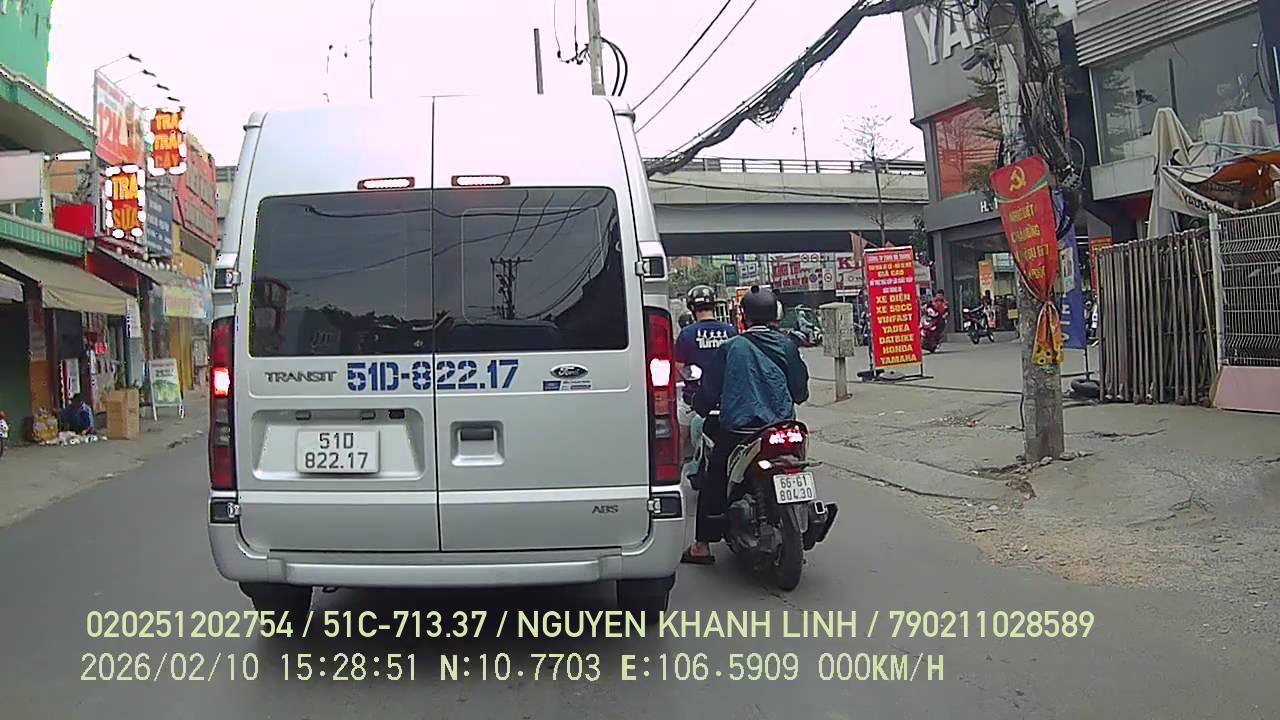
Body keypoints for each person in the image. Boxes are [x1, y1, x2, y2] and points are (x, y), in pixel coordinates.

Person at [683, 285, 810, 565]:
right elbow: (800, 392)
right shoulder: (788, 346)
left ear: (744, 318)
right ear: (776, 316)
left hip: (740, 430)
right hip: (783, 426)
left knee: (714, 476)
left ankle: (702, 546)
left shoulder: (731, 348)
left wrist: (700, 405)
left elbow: (708, 393)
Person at [674, 285, 737, 488]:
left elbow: (679, 368)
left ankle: (675, 479)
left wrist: (694, 378)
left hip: (695, 400)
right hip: (728, 400)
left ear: (692, 308)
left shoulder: (686, 334)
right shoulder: (730, 331)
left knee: (680, 437)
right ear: (713, 305)